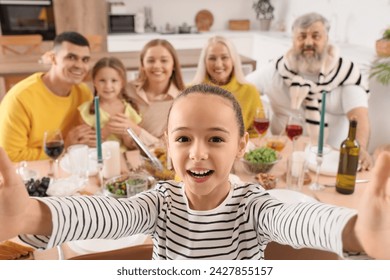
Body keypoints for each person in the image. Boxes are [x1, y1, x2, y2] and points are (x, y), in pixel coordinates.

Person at [1, 83, 389, 260]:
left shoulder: (254, 206)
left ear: (241, 146)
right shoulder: (158, 202)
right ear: (168, 147)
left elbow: (300, 218)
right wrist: (29, 215)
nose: (197, 154)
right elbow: (103, 213)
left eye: (216, 140)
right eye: (183, 139)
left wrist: (355, 230)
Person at [246, 12, 373, 170]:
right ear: (293, 40)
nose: (308, 42)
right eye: (301, 36)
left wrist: (360, 148)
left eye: (315, 36)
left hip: (328, 162)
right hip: (279, 157)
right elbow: (242, 90)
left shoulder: (345, 73)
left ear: (326, 39)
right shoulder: (277, 69)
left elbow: (359, 117)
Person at [0, 31, 96, 162]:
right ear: (53, 58)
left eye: (85, 60)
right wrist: (65, 147)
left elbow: (88, 136)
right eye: (71, 57)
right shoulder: (20, 99)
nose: (79, 65)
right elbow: (10, 157)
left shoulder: (84, 93)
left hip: (68, 165)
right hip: (32, 172)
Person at [191, 35, 265, 138]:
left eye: (224, 57)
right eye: (212, 58)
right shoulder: (190, 92)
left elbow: (256, 133)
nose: (218, 64)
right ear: (204, 62)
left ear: (233, 60)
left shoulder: (250, 91)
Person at [78, 56, 155, 151]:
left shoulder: (131, 109)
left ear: (122, 83)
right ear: (94, 82)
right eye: (102, 80)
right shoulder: (86, 111)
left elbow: (132, 146)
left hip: (125, 159)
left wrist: (126, 134)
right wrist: (106, 130)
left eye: (114, 81)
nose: (108, 86)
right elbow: (87, 145)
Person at [126, 39, 185, 144]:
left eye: (164, 60)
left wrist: (137, 132)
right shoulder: (127, 89)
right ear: (142, 65)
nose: (157, 66)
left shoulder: (181, 103)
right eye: (151, 60)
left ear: (173, 66)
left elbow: (168, 148)